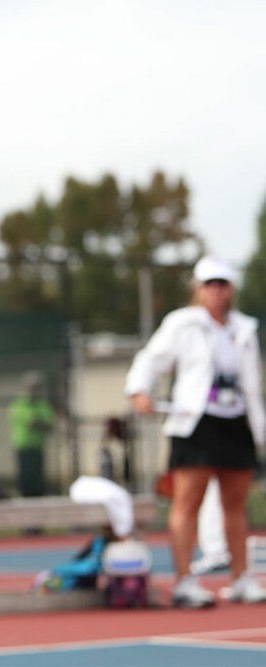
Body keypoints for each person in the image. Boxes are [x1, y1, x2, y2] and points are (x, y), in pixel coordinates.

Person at [125, 255, 265, 608]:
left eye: (222, 284)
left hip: (235, 422)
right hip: (195, 423)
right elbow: (151, 358)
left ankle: (241, 579)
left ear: (230, 289)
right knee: (188, 501)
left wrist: (258, 427)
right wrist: (140, 389)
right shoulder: (182, 324)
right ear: (199, 289)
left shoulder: (244, 329)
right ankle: (185, 580)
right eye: (209, 284)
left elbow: (252, 385)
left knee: (235, 504)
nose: (216, 291)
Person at [8, 372, 55, 498]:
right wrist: (40, 423)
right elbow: (32, 422)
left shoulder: (42, 404)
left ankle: (38, 496)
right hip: (23, 445)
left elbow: (49, 423)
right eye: (31, 386)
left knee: (38, 476)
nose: (34, 390)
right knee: (26, 476)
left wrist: (41, 423)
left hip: (38, 445)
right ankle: (26, 496)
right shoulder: (19, 404)